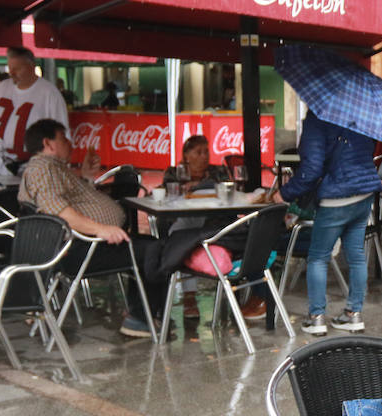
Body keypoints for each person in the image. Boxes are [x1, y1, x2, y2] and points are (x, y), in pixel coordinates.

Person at [18, 118, 166, 338]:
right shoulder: (42, 167)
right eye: (63, 138)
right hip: (77, 249)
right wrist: (101, 229)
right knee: (156, 250)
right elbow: (58, 211)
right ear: (48, 144)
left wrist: (87, 177)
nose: (70, 142)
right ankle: (139, 318)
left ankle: (139, 312)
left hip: (82, 243)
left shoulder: (55, 168)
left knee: (149, 246)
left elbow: (75, 203)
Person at [277, 112, 381, 336]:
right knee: (355, 255)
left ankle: (316, 319)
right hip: (364, 192)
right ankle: (354, 315)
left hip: (336, 197)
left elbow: (311, 169)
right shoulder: (361, 113)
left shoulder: (318, 118)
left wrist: (285, 193)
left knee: (318, 257)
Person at [162, 135, 239, 320]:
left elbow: (229, 191)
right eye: (198, 152)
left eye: (206, 151)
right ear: (186, 155)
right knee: (185, 231)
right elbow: (167, 194)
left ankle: (192, 296)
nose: (204, 156)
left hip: (215, 223)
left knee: (183, 236)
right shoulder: (175, 172)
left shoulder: (217, 171)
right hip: (186, 219)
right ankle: (189, 296)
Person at [0, 46, 68, 174]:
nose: (12, 73)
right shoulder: (1, 89)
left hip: (35, 168)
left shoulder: (49, 93)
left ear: (31, 67)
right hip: (0, 165)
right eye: (10, 68)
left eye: (17, 69)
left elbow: (61, 136)